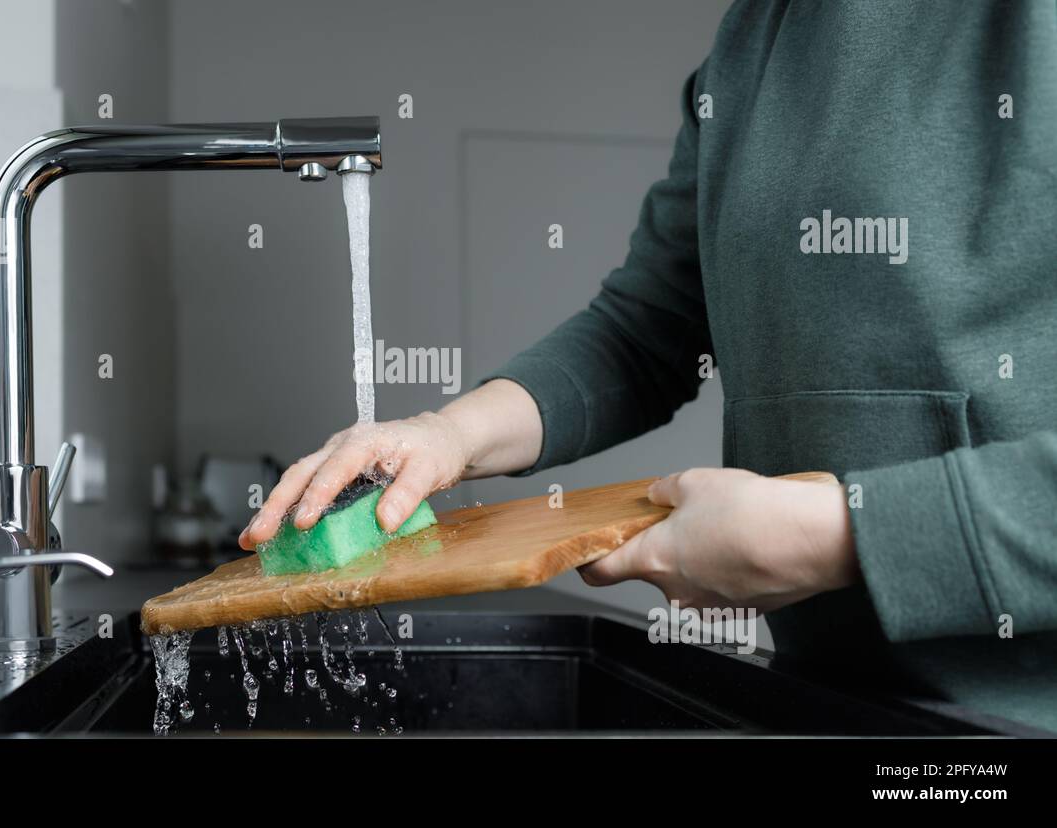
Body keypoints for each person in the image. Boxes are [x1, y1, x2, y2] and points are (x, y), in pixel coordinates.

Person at [241, 1, 1057, 732]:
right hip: (832, 702)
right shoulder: (751, 41)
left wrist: (840, 535)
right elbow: (649, 328)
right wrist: (446, 435)